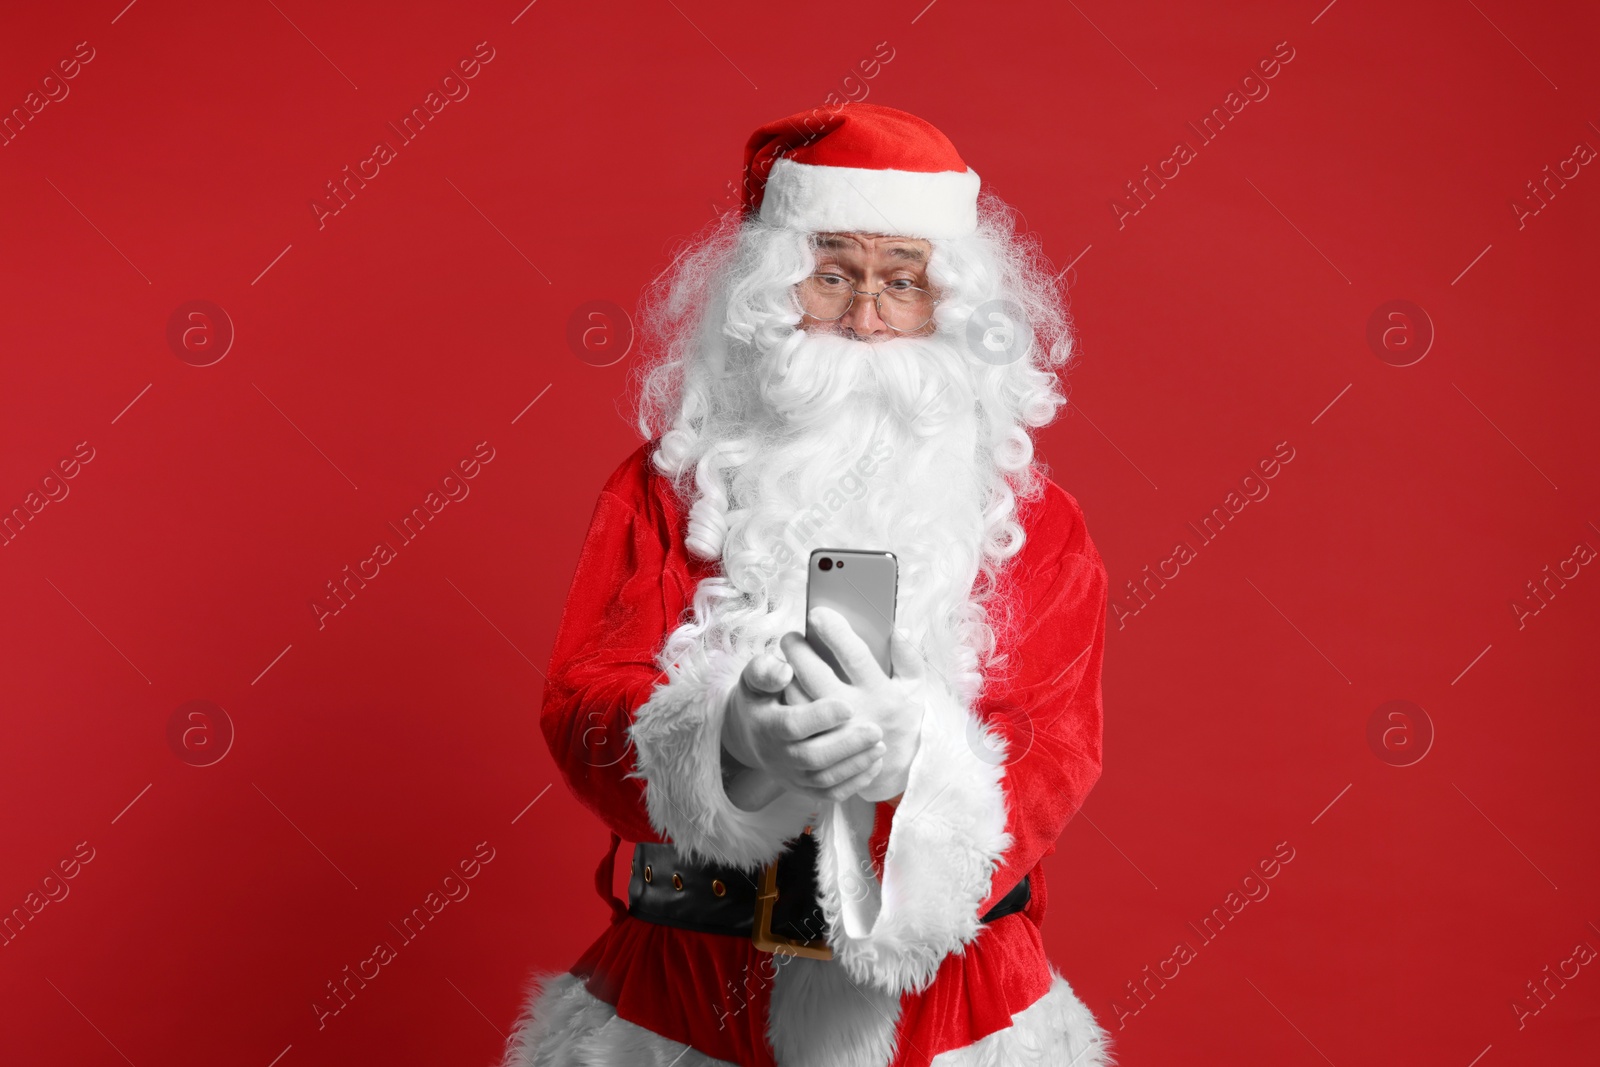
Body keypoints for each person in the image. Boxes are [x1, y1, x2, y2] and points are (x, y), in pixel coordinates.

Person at [501, 103, 1113, 1067]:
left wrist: (911, 766)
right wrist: (729, 738)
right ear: (769, 291)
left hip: (956, 1021)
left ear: (951, 306)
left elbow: (1057, 749)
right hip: (688, 1000)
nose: (865, 321)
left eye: (902, 282)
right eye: (832, 276)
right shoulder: (668, 486)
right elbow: (580, 704)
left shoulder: (1037, 517)